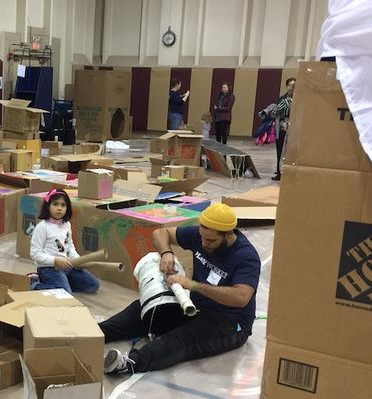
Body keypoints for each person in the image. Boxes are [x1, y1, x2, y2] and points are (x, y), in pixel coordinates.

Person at [99, 203, 260, 374]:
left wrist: (192, 285)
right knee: (143, 309)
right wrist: (166, 252)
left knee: (183, 338)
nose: (204, 243)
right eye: (202, 237)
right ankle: (93, 335)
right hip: (195, 305)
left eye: (211, 240)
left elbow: (241, 298)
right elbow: (160, 232)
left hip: (230, 321)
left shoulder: (246, 257)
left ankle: (129, 363)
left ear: (228, 234)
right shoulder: (201, 236)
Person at [30, 189, 100, 293]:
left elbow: (70, 246)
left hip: (68, 266)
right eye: (55, 204)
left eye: (63, 205)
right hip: (49, 269)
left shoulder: (67, 224)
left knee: (93, 285)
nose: (59, 208)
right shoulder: (42, 227)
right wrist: (55, 261)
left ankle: (62, 284)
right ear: (48, 206)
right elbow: (35, 254)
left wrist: (77, 260)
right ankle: (34, 283)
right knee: (65, 293)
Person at [272, 77, 296, 181]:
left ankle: (288, 172)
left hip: (294, 129)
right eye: (291, 85)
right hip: (282, 128)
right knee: (280, 149)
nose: (292, 87)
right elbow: (276, 112)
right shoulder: (282, 99)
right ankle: (279, 171)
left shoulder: (299, 99)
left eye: (294, 85)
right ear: (287, 86)